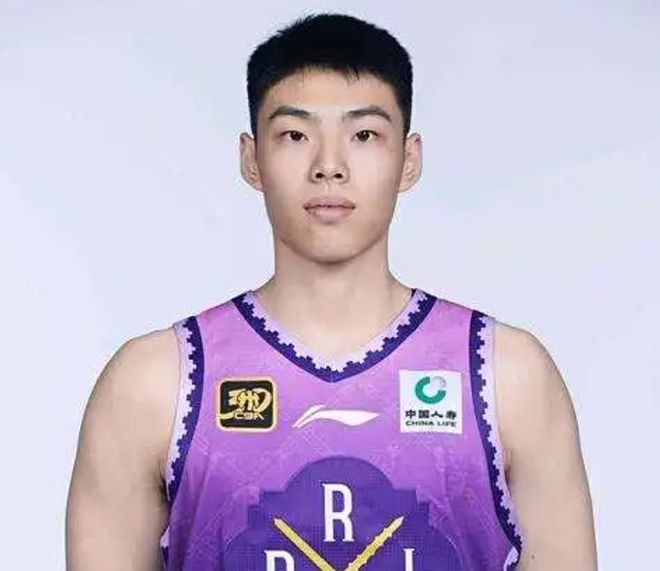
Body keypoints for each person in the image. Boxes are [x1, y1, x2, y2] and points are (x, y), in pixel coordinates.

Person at [65, 12, 597, 571]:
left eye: (364, 135)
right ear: (251, 159)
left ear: (409, 159)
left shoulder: (504, 374)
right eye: (295, 135)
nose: (329, 166)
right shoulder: (155, 383)